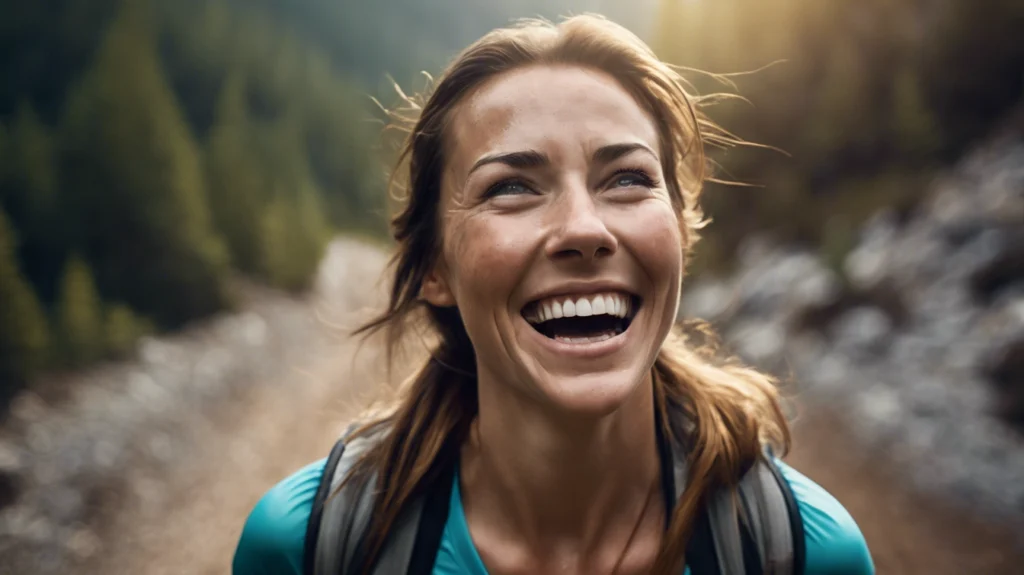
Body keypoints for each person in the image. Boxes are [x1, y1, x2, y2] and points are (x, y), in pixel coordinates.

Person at [232, 14, 874, 575]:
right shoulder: (305, 549)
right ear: (435, 266)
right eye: (512, 187)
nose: (584, 230)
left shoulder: (802, 554)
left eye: (626, 178)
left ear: (680, 229)